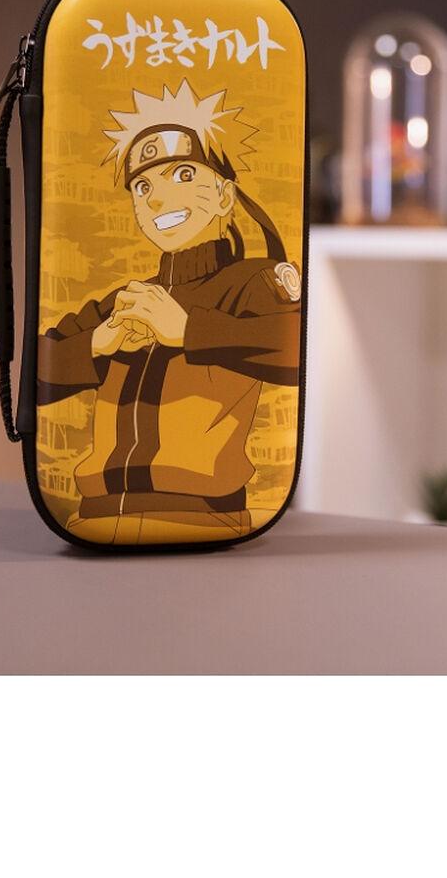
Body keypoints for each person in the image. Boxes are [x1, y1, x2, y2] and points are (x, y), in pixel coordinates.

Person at [37, 79, 301, 545]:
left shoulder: (254, 282)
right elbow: (36, 370)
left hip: (203, 517)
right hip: (92, 518)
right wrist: (99, 343)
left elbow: (295, 351)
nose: (156, 199)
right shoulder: (126, 300)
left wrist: (189, 331)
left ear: (224, 196)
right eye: (142, 187)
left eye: (183, 176)